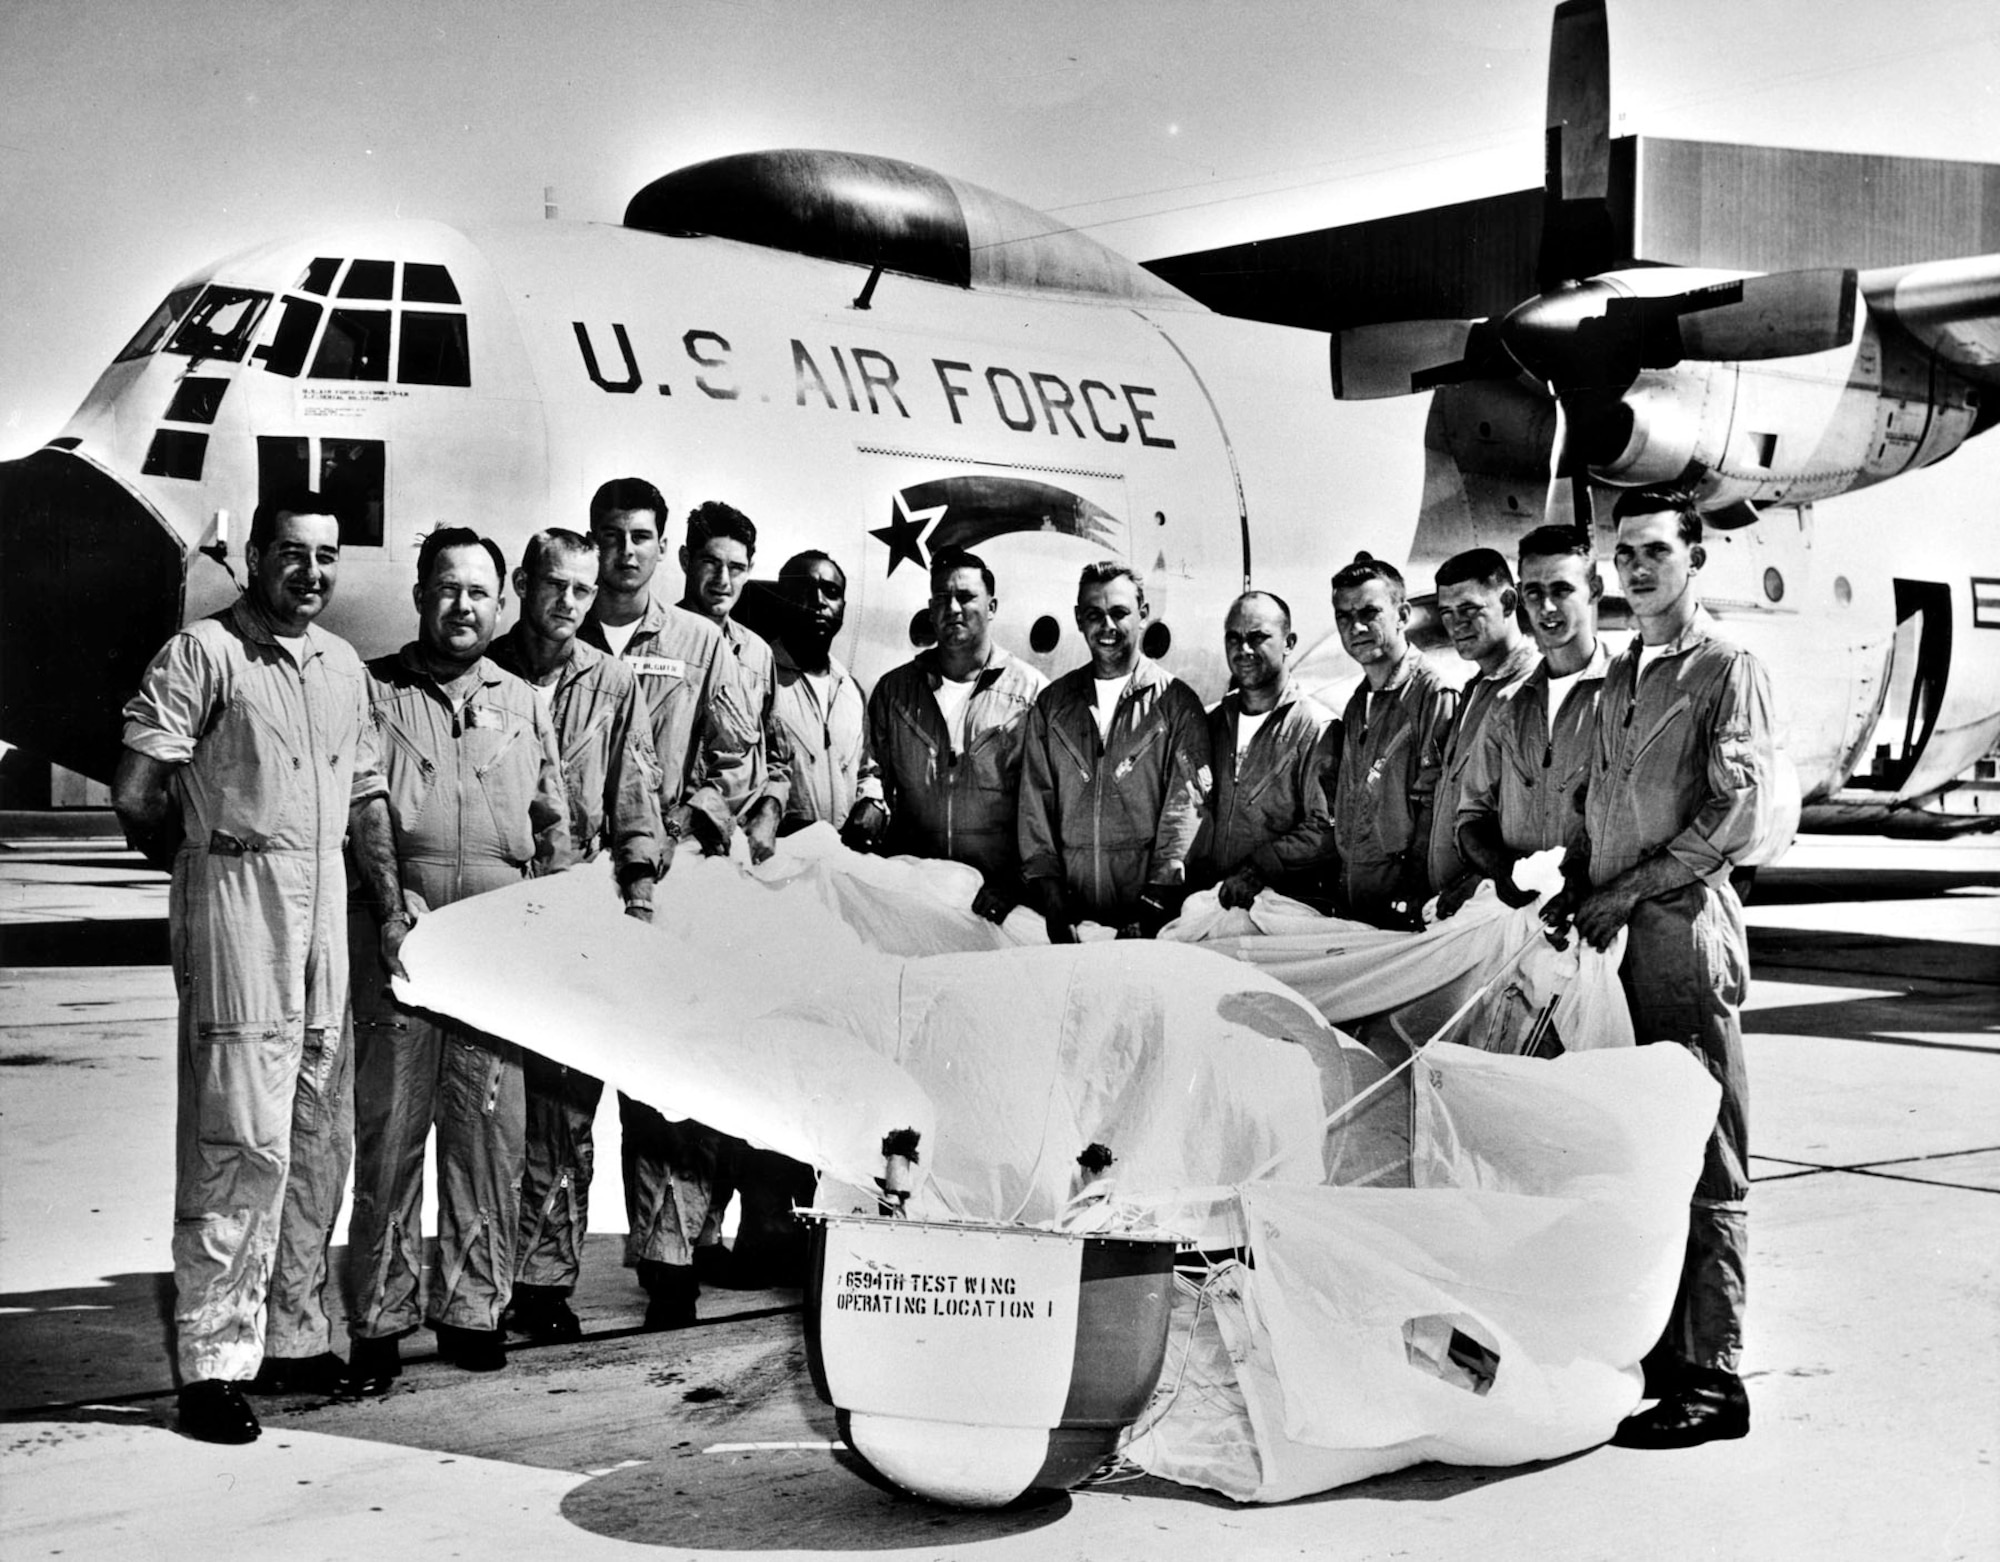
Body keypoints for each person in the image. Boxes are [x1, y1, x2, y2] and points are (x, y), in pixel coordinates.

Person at [114, 489, 370, 1443]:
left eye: (328, 554)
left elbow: (368, 794)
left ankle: (294, 1335)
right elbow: (138, 787)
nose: (313, 572)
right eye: (294, 553)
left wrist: (383, 901)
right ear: (256, 557)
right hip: (240, 905)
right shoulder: (204, 653)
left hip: (324, 914)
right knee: (237, 1138)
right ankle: (213, 1367)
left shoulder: (342, 667)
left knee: (315, 1131)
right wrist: (201, 864)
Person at [1575, 489, 1778, 1449]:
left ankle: (1714, 1377)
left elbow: (1735, 815)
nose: (1639, 569)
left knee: (1707, 1154)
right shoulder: (1622, 672)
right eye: (1626, 556)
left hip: (1682, 931)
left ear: (1695, 559)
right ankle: (1663, 1355)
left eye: (1657, 551)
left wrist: (1636, 888)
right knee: (1640, 1145)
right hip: (1620, 934)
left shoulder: (1726, 666)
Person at [344, 528, 569, 1389]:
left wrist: (543, 922)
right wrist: (390, 904)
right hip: (402, 944)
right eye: (447, 589)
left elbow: (554, 826)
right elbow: (365, 804)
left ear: (501, 602)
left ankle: (475, 1310)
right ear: (419, 595)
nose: (462, 606)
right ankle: (378, 1320)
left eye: (479, 591)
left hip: (494, 959)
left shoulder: (525, 702)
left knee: (488, 1140)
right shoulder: (376, 691)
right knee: (391, 1134)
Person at [489, 528, 664, 1345]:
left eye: (584, 591)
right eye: (554, 585)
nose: (567, 604)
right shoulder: (484, 671)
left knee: (565, 1108)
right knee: (489, 1112)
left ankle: (544, 1279)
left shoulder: (613, 681)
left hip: (578, 910)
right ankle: (480, 1275)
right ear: (522, 583)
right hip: (496, 907)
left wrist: (638, 889)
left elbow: (636, 788)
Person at [575, 479, 743, 1330]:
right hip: (575, 882)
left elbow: (734, 761)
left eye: (642, 536)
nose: (626, 551)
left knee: (667, 1081)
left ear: (662, 544)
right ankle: (543, 1272)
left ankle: (670, 1257)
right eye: (611, 535)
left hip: (666, 887)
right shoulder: (560, 632)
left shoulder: (698, 642)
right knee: (564, 1082)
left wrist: (680, 824)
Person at [1018, 561, 1210, 940]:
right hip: (1073, 913)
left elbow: (1185, 810)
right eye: (1094, 614)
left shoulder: (1176, 705)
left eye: (1119, 613)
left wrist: (1155, 902)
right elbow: (1034, 805)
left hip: (1146, 917)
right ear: (1077, 618)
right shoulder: (1053, 704)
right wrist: (1053, 898)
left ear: (1143, 614)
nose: (1107, 626)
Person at [866, 548, 1047, 921]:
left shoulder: (1031, 695)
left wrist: (1016, 882)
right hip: (915, 892)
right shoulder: (894, 691)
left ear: (992, 606)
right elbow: (873, 777)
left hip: (994, 901)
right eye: (941, 599)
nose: (952, 609)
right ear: (930, 609)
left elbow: (1049, 805)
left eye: (965, 597)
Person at [1454, 525, 1611, 911]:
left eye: (1562, 590)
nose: (1547, 608)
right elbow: (1471, 816)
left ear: (1596, 589)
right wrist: (1503, 870)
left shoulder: (1626, 695)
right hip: (1521, 914)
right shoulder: (1507, 705)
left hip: (1598, 916)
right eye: (1534, 593)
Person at [1328, 555, 1457, 928]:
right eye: (1344, 616)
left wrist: (1413, 888)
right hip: (1356, 896)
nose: (1356, 626)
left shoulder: (1433, 693)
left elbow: (1436, 803)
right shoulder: (1357, 703)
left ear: (1402, 615)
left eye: (1370, 612)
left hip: (1404, 904)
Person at [1190, 591, 1338, 909]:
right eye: (1234, 638)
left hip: (1278, 907)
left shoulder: (1316, 729)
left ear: (1289, 642)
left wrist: (1259, 869)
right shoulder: (1211, 723)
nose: (1243, 650)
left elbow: (1325, 827)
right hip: (1208, 902)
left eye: (1258, 637)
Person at [1429, 548, 1538, 917]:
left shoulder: (1531, 688)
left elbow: (1539, 813)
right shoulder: (1475, 689)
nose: (1456, 625)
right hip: (1460, 907)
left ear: (1508, 601)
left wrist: (1485, 875)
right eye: (1446, 613)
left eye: (1469, 610)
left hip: (1499, 903)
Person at [769, 550, 883, 841]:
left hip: (840, 860)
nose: (819, 602)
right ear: (782, 600)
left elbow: (866, 769)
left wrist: (872, 803)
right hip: (776, 864)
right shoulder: (757, 677)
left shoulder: (851, 689)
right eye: (804, 591)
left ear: (843, 607)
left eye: (831, 592)